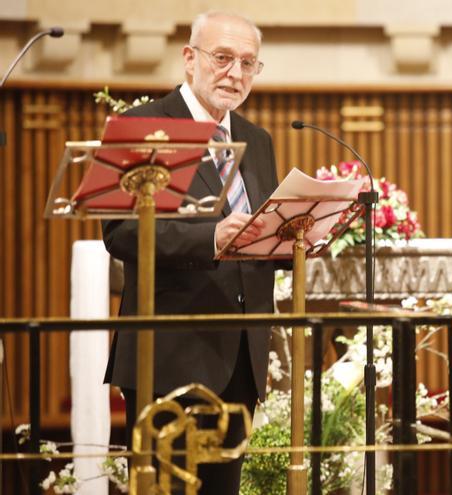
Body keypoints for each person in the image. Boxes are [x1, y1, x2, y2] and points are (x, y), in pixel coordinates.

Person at [102, 11, 277, 494]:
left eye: (248, 63)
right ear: (189, 58)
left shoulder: (257, 140)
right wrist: (211, 239)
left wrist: (295, 234)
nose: (235, 73)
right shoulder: (143, 126)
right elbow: (120, 232)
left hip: (241, 356)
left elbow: (256, 234)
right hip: (169, 355)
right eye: (223, 58)